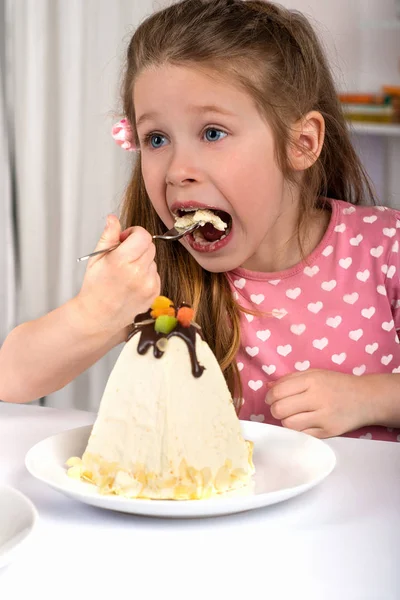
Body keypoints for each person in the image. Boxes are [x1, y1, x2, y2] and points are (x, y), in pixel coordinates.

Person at [1, 0, 399, 442]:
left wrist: (371, 397)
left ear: (301, 143)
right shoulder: (161, 279)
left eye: (212, 133)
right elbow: (11, 379)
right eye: (156, 138)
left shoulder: (385, 248)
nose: (176, 170)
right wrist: (94, 312)